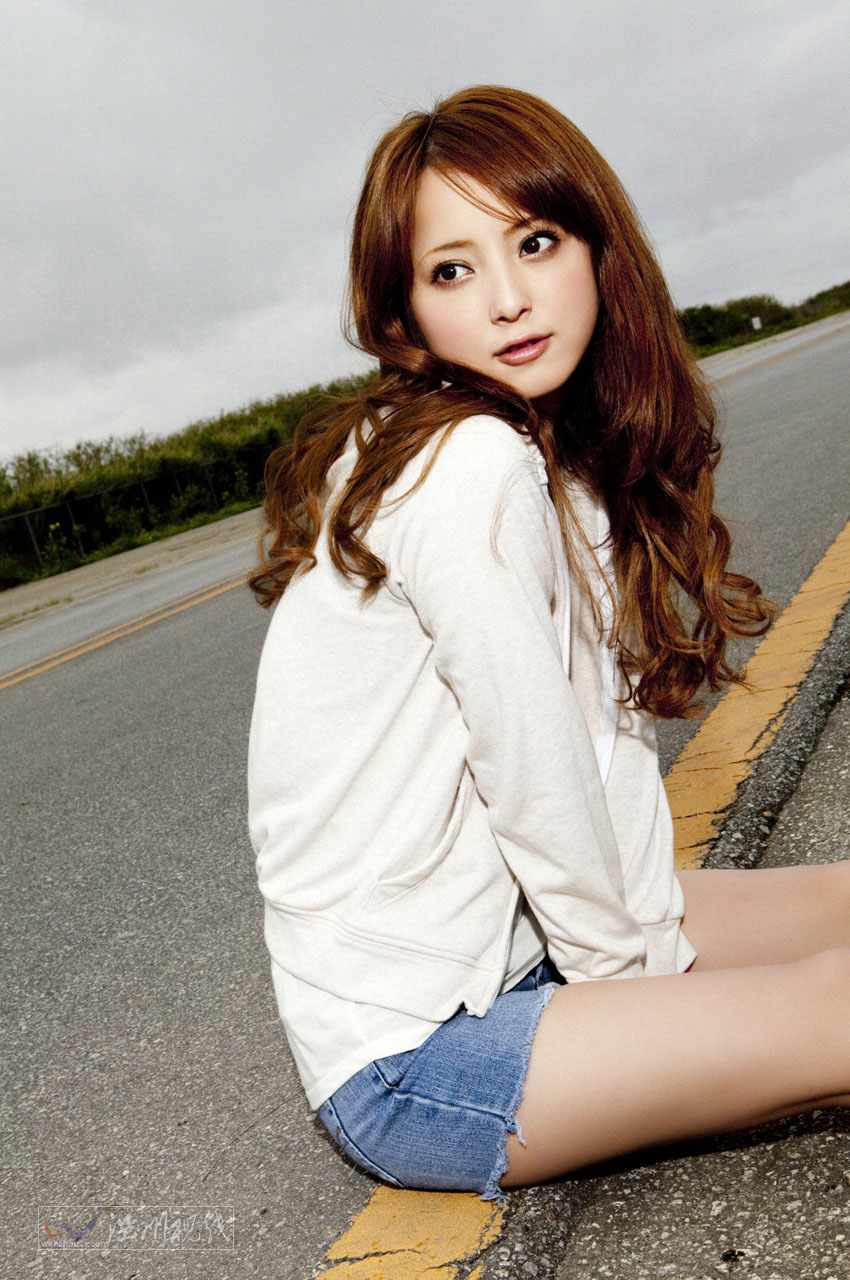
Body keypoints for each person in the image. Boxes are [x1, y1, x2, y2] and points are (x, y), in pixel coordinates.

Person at [247, 85, 850, 1204]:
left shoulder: (538, 451)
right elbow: (537, 775)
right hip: (419, 1051)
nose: (508, 300)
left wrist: (644, 942)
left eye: (533, 243)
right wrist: (643, 994)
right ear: (405, 309)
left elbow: (595, 763)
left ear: (594, 246)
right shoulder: (465, 464)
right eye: (451, 270)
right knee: (834, 1010)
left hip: (518, 940)